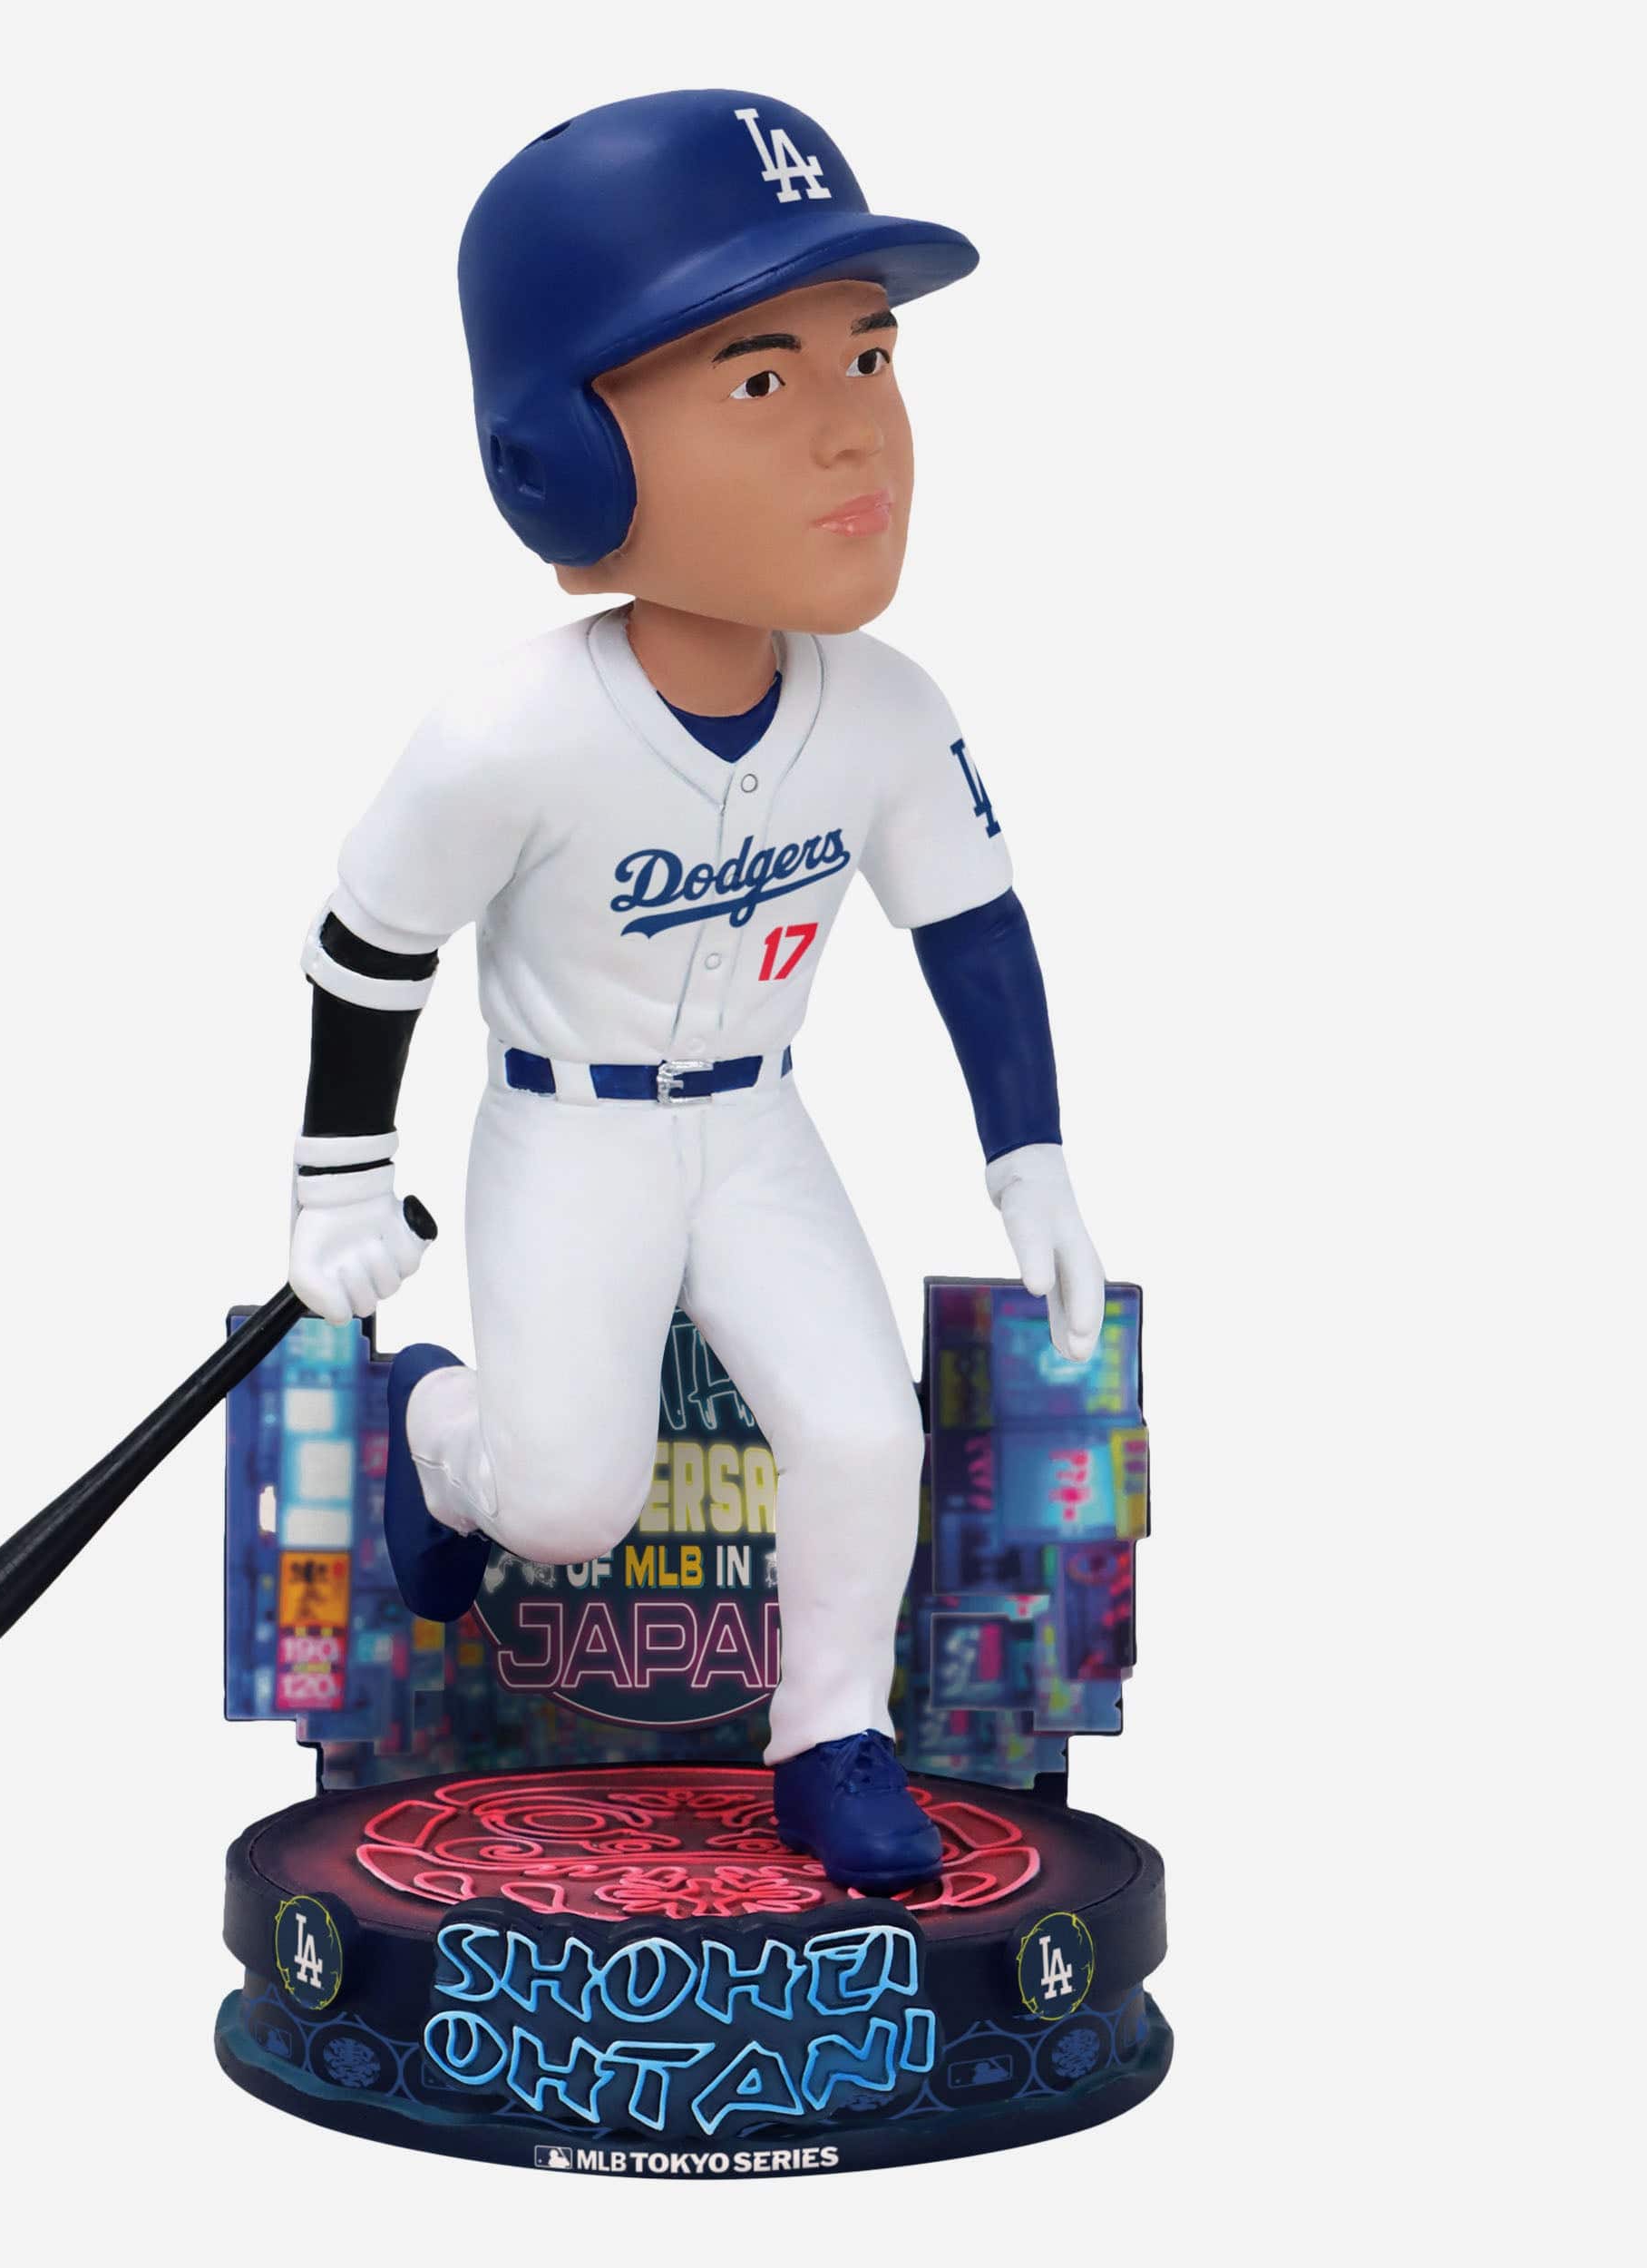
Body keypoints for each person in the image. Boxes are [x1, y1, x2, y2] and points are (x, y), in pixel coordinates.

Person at [284, 91, 1104, 1891]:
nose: (849, 426)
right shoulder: (508, 728)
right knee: (565, 1502)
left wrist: (1029, 1157)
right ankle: (438, 1434)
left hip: (756, 1123)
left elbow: (972, 929)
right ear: (563, 459)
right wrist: (339, 1173)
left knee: (863, 1429)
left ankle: (832, 1736)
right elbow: (370, 938)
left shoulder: (886, 710)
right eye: (759, 379)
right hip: (564, 1132)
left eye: (866, 358)